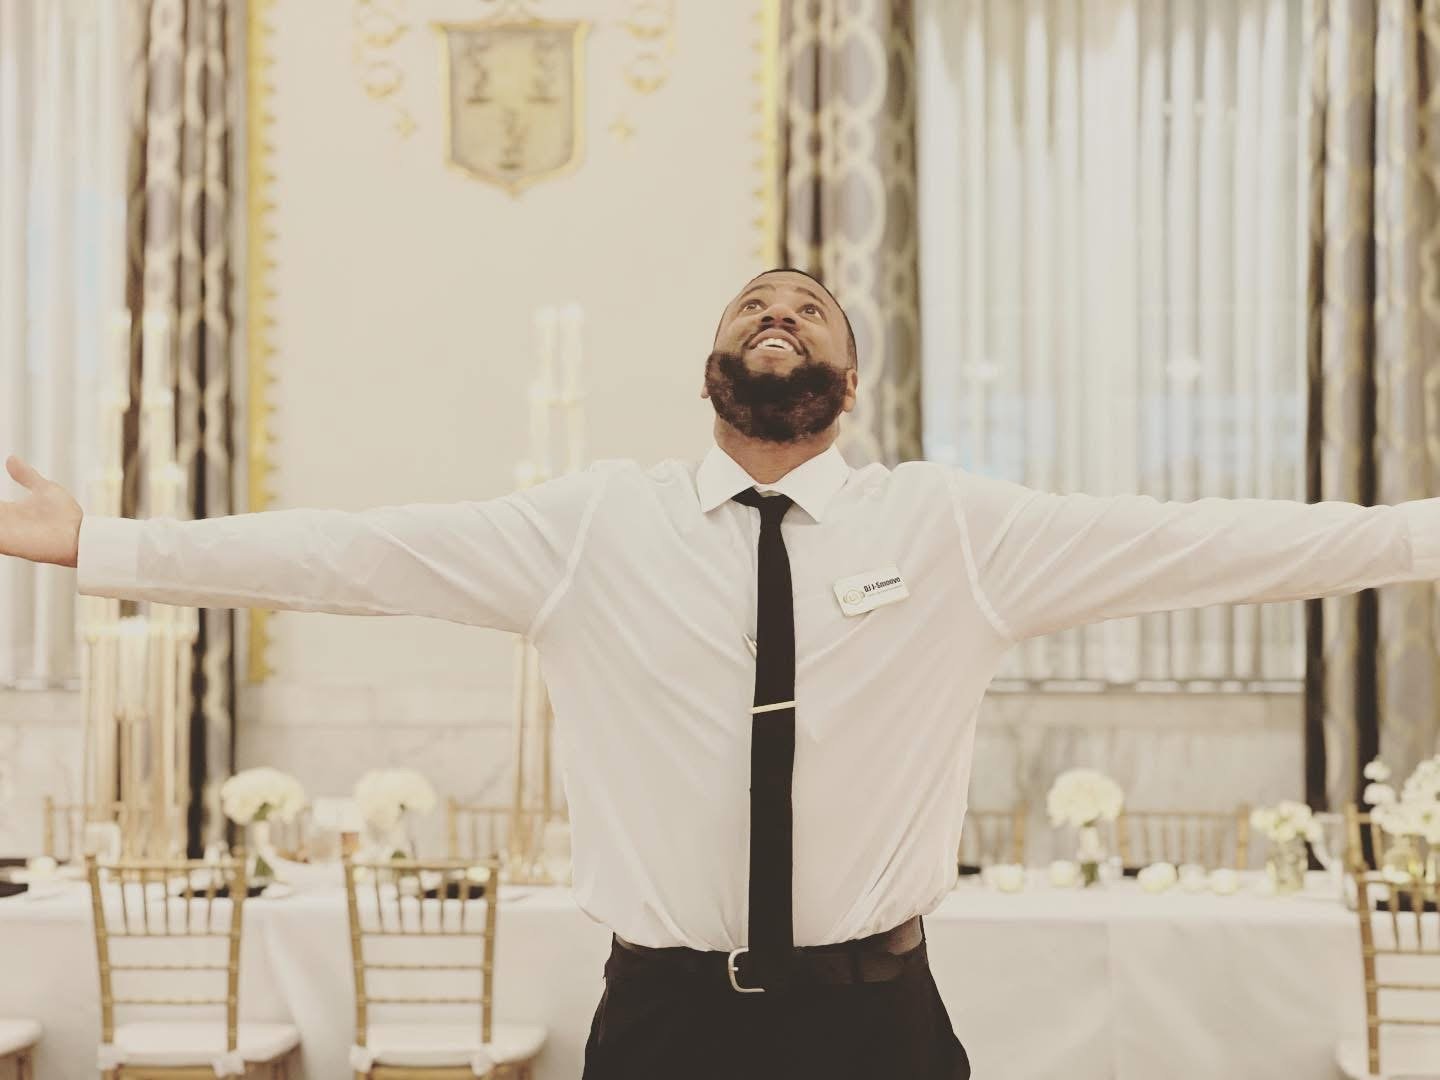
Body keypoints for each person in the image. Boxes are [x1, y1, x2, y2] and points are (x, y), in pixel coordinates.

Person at [5, 267, 1440, 1080]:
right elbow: (358, 554)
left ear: (851, 382)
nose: (783, 314)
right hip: (667, 1024)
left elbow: (1214, 543)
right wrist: (97, 541)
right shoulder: (590, 529)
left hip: (879, 1021)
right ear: (709, 373)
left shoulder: (948, 529)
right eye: (756, 306)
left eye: (812, 310)